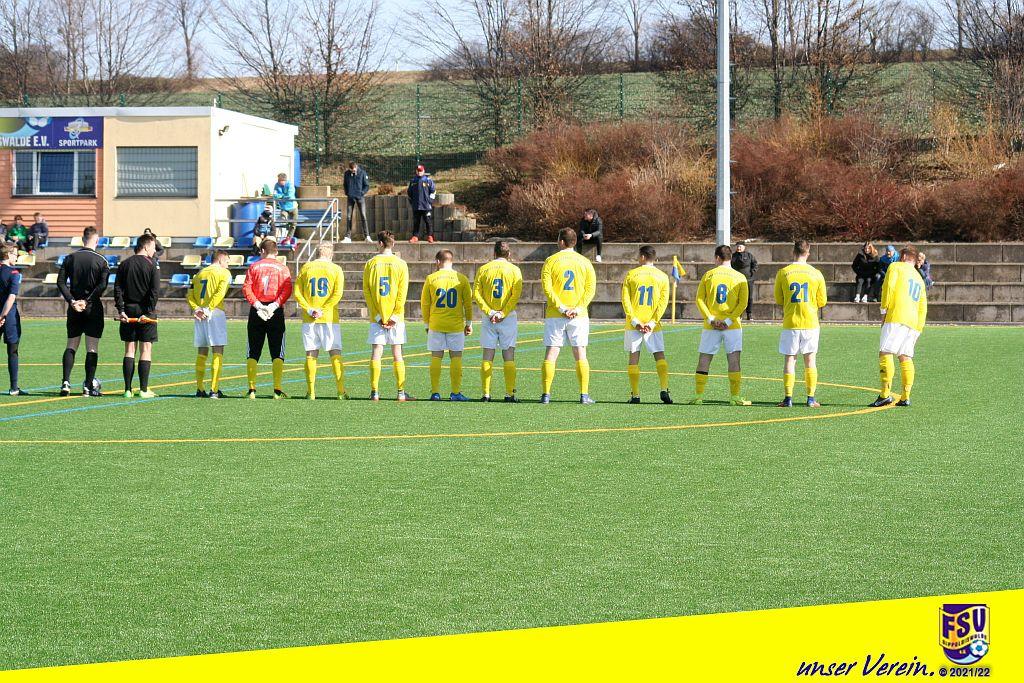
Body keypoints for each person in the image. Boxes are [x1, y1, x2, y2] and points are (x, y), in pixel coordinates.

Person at [540, 228, 597, 405]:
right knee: (580, 353)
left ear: (561, 242)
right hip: (578, 316)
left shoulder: (550, 261)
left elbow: (547, 288)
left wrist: (561, 308)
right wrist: (577, 308)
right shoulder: (585, 262)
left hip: (555, 314)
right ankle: (584, 395)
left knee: (551, 352)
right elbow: (590, 289)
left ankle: (546, 394)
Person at [688, 245, 751, 406]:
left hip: (711, 326)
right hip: (732, 326)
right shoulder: (740, 277)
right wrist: (728, 321)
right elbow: (743, 303)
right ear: (731, 258)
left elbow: (699, 299)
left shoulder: (708, 275)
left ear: (717, 258)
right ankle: (734, 397)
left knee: (704, 358)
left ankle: (698, 396)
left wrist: (710, 319)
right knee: (734, 359)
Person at [871, 245, 927, 408]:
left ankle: (884, 395)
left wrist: (884, 311)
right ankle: (905, 396)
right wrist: (918, 328)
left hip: (896, 315)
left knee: (885, 352)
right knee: (905, 356)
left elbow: (888, 288)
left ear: (902, 257)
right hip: (913, 321)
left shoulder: (895, 266)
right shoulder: (919, 278)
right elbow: (923, 306)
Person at [773, 240, 828, 408]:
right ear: (808, 253)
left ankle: (788, 398)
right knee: (810, 360)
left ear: (793, 252)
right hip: (810, 322)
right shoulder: (816, 273)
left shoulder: (783, 272)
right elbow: (822, 301)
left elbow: (779, 299)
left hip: (791, 322)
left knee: (790, 360)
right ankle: (810, 399)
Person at [57, 226, 110, 397]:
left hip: (74, 308)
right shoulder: (102, 261)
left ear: (82, 239)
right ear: (97, 240)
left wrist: (72, 301)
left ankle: (65, 382)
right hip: (92, 308)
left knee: (71, 344)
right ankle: (88, 386)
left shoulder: (70, 258)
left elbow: (60, 282)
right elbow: (102, 286)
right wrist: (87, 301)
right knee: (92, 347)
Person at [363, 231, 413, 401]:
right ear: (393, 244)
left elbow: (367, 292)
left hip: (377, 317)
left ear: (380, 243)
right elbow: (402, 293)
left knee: (376, 352)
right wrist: (395, 316)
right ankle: (400, 392)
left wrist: (377, 316)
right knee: (397, 352)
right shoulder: (401, 264)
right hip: (395, 318)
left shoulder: (370, 264)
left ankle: (375, 391)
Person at [294, 242, 347, 400]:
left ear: (317, 253)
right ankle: (341, 392)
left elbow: (297, 293)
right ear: (330, 254)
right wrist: (323, 309)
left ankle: (311, 392)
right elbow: (337, 294)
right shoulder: (336, 269)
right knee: (335, 352)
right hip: (329, 318)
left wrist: (310, 309)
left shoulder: (306, 267)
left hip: (309, 318)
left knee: (311, 353)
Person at [621, 245, 672, 404]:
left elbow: (625, 300)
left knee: (634, 357)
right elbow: (663, 303)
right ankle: (664, 389)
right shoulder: (662, 276)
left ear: (642, 257)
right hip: (653, 324)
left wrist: (635, 321)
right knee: (659, 355)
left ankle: (635, 395)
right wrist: (652, 322)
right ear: (654, 258)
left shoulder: (631, 274)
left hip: (634, 324)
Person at [473, 240, 523, 402]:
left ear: (494, 253)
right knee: (508, 355)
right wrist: (503, 312)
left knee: (488, 354)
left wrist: (490, 312)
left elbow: (476, 294)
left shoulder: (483, 269)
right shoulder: (515, 270)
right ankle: (509, 394)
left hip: (489, 318)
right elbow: (515, 295)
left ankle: (486, 394)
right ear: (509, 254)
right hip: (508, 318)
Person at [243, 239, 293, 399]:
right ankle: (277, 391)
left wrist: (258, 305)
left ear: (262, 251)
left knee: (253, 351)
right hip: (275, 311)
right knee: (277, 351)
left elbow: (246, 288)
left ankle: (252, 390)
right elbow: (287, 289)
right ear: (276, 252)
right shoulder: (283, 268)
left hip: (257, 311)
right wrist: (274, 305)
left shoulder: (254, 266)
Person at [422, 249, 473, 401]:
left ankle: (435, 393)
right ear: (452, 261)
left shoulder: (431, 278)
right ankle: (455, 393)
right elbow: (468, 304)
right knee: (456, 357)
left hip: (436, 324)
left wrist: (427, 323)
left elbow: (425, 304)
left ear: (438, 262)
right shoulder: (461, 279)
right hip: (455, 325)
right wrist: (469, 323)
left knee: (436, 357)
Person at [114, 234, 161, 398]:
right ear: (146, 246)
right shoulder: (152, 265)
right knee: (146, 349)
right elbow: (154, 292)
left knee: (129, 349)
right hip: (146, 312)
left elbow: (117, 289)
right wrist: (148, 312)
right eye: (153, 247)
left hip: (128, 311)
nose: (154, 251)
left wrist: (121, 310)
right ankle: (143, 389)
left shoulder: (124, 264)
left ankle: (127, 390)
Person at [188, 249, 232, 399]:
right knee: (217, 349)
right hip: (214, 313)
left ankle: (200, 389)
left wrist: (196, 309)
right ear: (220, 260)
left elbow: (190, 294)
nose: (228, 265)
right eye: (227, 262)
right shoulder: (224, 273)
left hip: (199, 314)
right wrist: (209, 308)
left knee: (202, 350)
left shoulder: (199, 274)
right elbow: (220, 292)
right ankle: (214, 390)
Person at [0, 245, 25, 395]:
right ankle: (14, 388)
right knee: (13, 350)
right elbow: (11, 297)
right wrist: (2, 316)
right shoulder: (14, 273)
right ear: (8, 255)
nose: (16, 257)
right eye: (15, 254)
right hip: (8, 316)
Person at [343, 162, 372, 243]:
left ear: (356, 167)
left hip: (360, 198)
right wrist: (347, 193)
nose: (353, 171)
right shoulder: (347, 174)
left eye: (354, 170)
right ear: (349, 168)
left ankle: (367, 236)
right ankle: (348, 237)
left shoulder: (362, 173)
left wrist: (361, 193)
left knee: (363, 216)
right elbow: (345, 184)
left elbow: (366, 186)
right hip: (350, 198)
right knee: (349, 217)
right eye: (351, 170)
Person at [407, 164, 436, 244]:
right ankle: (415, 236)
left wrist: (430, 201)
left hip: (426, 206)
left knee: (428, 221)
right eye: (418, 171)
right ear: (416, 171)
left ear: (423, 171)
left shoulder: (428, 180)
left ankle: (430, 236)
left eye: (421, 171)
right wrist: (412, 202)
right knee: (416, 222)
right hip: (416, 206)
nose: (419, 172)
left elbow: (433, 191)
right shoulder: (413, 181)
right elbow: (409, 193)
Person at [731, 241, 758, 320]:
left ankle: (749, 314)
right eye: (737, 246)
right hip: (736, 280)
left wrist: (752, 271)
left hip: (748, 280)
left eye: (740, 246)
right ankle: (739, 314)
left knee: (749, 297)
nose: (738, 248)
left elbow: (755, 264)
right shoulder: (733, 256)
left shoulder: (749, 255)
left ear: (744, 247)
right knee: (737, 298)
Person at [273, 173, 298, 239]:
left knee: (293, 224)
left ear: (284, 180)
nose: (279, 182)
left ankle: (289, 238)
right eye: (278, 180)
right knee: (283, 220)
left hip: (293, 207)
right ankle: (280, 237)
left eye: (280, 180)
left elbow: (290, 196)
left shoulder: (290, 185)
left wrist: (280, 196)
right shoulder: (276, 185)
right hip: (284, 208)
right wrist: (283, 196)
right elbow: (275, 195)